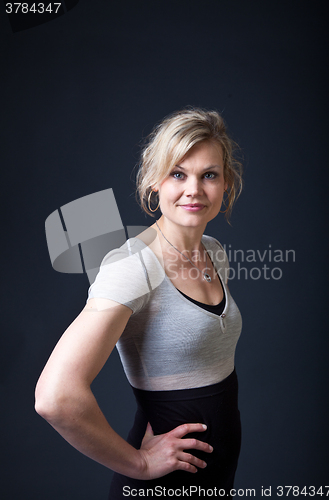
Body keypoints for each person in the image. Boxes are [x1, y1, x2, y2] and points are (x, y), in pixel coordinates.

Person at [35, 108, 243, 499]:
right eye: (178, 174)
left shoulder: (213, 252)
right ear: (153, 181)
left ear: (226, 183)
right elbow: (55, 397)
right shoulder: (133, 268)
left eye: (208, 175)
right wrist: (140, 464)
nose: (194, 190)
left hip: (216, 478)